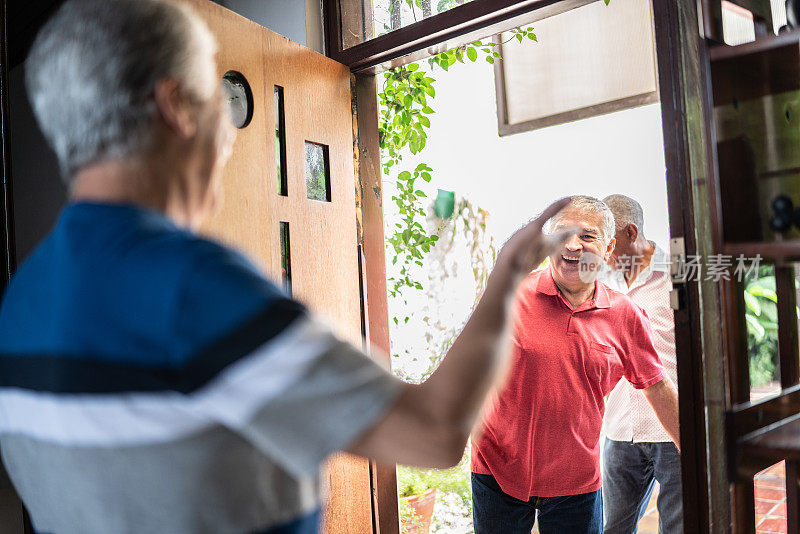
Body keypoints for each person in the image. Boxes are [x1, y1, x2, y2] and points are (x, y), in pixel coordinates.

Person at [0, 1, 577, 533]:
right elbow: (434, 432)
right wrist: (509, 275)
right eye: (218, 101)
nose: (228, 134)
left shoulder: (19, 300)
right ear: (174, 105)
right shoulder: (189, 287)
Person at [470, 195, 680, 534]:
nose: (572, 245)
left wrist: (697, 455)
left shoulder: (624, 314)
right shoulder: (510, 295)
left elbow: (656, 385)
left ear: (609, 246)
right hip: (498, 472)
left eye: (587, 236)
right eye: (562, 234)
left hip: (576, 483)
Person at [600, 194, 682, 534]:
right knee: (613, 528)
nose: (602, 255)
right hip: (618, 429)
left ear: (631, 233)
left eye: (609, 244)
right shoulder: (601, 284)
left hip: (671, 429)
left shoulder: (680, 276)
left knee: (678, 528)